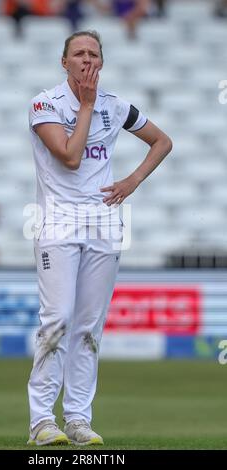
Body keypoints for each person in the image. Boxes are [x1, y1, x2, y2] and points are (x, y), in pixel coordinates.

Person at [27, 30, 172, 446]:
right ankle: (41, 421)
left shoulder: (116, 106)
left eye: (93, 54)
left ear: (102, 62)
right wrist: (86, 105)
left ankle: (77, 419)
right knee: (57, 321)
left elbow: (162, 142)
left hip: (103, 225)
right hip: (58, 222)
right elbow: (70, 157)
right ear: (64, 62)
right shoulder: (45, 104)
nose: (86, 60)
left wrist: (133, 180)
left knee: (89, 328)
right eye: (78, 54)